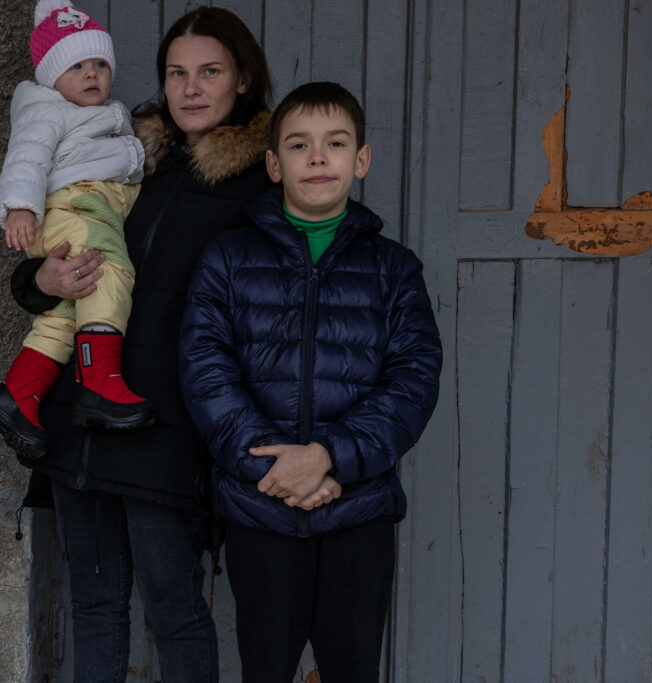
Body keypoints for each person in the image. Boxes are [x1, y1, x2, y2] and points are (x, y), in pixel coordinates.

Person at [6, 7, 274, 680]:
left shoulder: (259, 185)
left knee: (173, 608)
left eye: (209, 72)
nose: (190, 88)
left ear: (242, 79)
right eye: (175, 73)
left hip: (164, 427)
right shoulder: (122, 154)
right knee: (93, 605)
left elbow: (266, 318)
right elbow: (51, 251)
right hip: (77, 421)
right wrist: (41, 276)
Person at [179, 82, 443, 682]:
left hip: (358, 513)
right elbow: (205, 369)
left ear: (361, 160)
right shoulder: (228, 258)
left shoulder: (393, 270)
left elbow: (414, 379)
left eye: (335, 143)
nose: (318, 158)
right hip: (260, 510)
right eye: (299, 145)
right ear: (274, 164)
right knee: (264, 669)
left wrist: (328, 458)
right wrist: (274, 470)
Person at [0, 0, 151, 457]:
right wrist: (19, 207)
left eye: (99, 64)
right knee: (106, 270)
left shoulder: (103, 113)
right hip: (73, 206)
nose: (92, 73)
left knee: (64, 310)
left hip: (89, 205)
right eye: (76, 65)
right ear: (52, 76)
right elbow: (27, 157)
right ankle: (98, 381)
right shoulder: (46, 109)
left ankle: (16, 395)